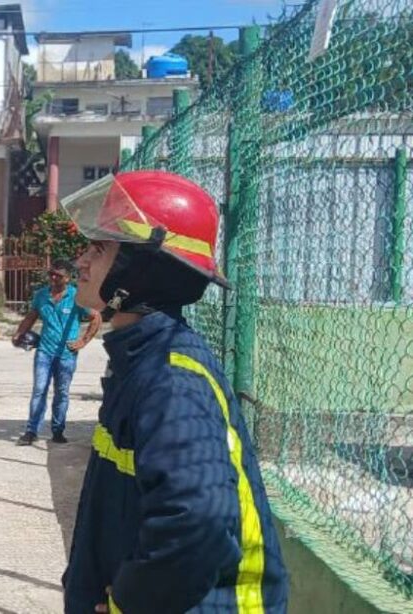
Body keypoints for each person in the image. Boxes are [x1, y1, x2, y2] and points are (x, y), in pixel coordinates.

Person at [59, 170, 288, 613]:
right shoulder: (141, 360)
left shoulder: (171, 379)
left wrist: (130, 601)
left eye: (99, 248)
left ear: (140, 270)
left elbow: (197, 521)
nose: (82, 262)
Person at [13, 260, 102, 446]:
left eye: (58, 275)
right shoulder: (41, 295)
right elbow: (31, 316)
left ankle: (58, 431)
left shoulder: (77, 297)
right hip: (44, 352)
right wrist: (19, 333)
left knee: (61, 393)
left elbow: (96, 317)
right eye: (51, 273)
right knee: (39, 391)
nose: (53, 278)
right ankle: (31, 431)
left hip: (67, 355)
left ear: (68, 278)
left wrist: (82, 342)